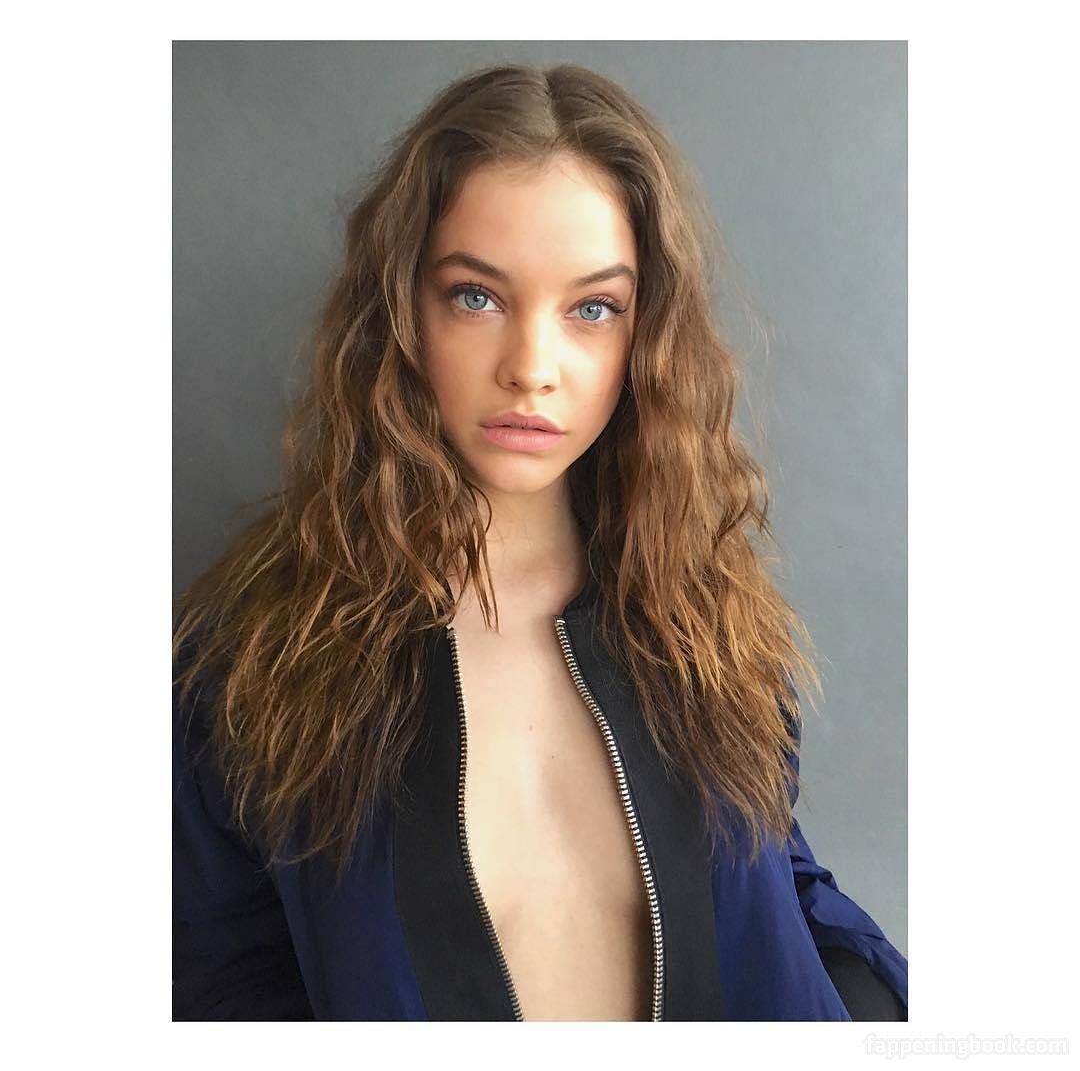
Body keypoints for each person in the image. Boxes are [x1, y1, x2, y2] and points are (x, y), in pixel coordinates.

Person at [173, 61, 908, 1021]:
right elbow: (214, 981)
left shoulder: (707, 621)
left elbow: (784, 890)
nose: (532, 367)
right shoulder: (252, 664)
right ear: (401, 311)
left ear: (645, 336)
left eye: (591, 309)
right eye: (476, 297)